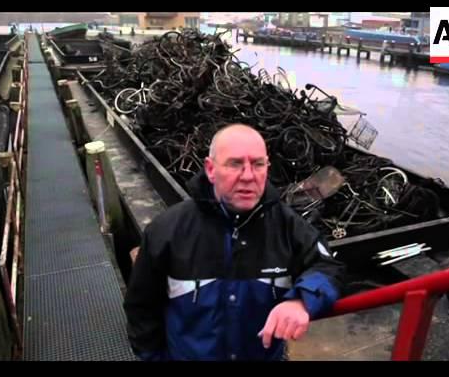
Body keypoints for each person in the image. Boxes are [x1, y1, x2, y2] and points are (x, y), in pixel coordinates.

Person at [124, 124, 345, 361]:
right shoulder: (167, 230)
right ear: (210, 169)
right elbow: (141, 307)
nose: (248, 176)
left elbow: (329, 268)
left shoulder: (288, 227)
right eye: (235, 163)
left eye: (258, 164)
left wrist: (302, 300)